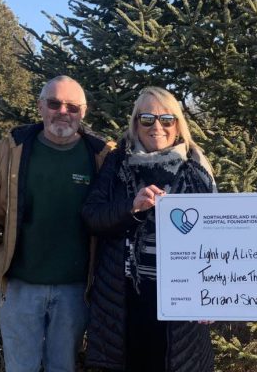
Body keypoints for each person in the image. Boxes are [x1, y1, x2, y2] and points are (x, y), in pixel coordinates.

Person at [0, 75, 114, 372]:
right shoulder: (11, 150)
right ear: (40, 106)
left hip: (75, 290)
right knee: (21, 367)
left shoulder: (101, 155)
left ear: (83, 112)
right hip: (20, 286)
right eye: (54, 103)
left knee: (63, 366)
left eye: (72, 107)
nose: (63, 112)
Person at [82, 86, 216, 371]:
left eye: (167, 119)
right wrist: (131, 209)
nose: (157, 126)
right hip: (127, 295)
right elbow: (92, 216)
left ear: (178, 124)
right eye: (147, 119)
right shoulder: (117, 163)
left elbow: (216, 236)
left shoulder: (196, 166)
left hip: (184, 297)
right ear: (135, 124)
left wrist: (214, 293)